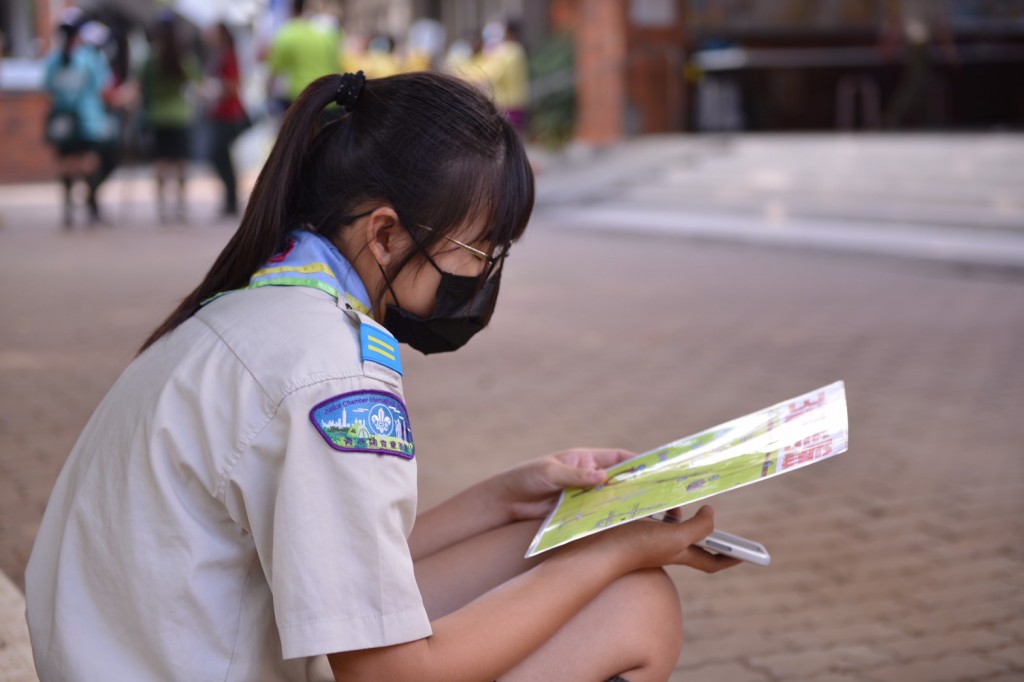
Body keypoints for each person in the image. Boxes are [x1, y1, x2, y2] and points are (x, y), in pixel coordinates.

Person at [25, 71, 738, 681]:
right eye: (478, 250)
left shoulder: (254, 316)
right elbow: (392, 671)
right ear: (387, 233)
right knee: (636, 605)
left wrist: (509, 497)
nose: (485, 276)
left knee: (563, 551)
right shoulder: (332, 378)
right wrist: (613, 554)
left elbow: (342, 569)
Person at [42, 11, 116, 228]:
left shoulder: (53, 60)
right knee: (89, 163)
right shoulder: (90, 58)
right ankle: (92, 208)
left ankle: (68, 210)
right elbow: (104, 87)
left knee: (67, 164)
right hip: (88, 120)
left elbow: (47, 87)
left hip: (62, 121)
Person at [140, 12, 200, 223]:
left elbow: (141, 87)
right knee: (181, 162)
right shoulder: (184, 57)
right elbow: (197, 84)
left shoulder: (149, 58)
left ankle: (163, 208)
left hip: (157, 116)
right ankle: (181, 207)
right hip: (180, 115)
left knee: (162, 163)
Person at [202, 21, 248, 218]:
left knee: (220, 155)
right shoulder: (217, 54)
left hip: (229, 113)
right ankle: (229, 199)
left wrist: (215, 89)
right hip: (220, 113)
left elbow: (233, 85)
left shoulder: (228, 55)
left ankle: (231, 198)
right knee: (221, 156)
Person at [266, 0, 338, 112]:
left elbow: (273, 73)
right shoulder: (329, 31)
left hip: (302, 100)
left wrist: (268, 96)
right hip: (331, 98)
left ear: (291, 9)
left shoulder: (288, 32)